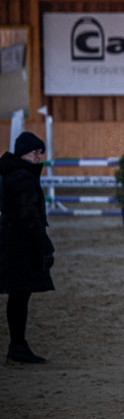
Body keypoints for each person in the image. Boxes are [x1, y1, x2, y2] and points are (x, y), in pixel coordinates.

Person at [0, 131, 55, 364]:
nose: (39, 157)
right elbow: (29, 215)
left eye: (41, 153)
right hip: (19, 244)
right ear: (24, 154)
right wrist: (44, 245)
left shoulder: (12, 174)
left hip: (12, 239)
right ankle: (18, 345)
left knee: (18, 295)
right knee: (20, 295)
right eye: (35, 153)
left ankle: (18, 344)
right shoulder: (23, 177)